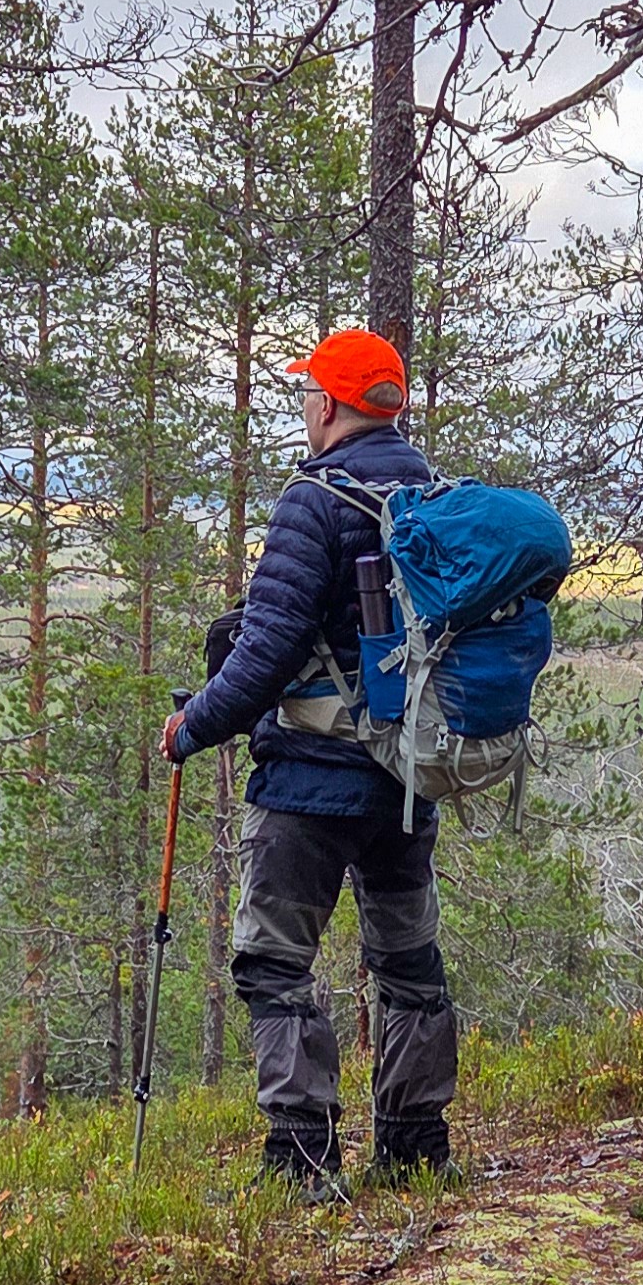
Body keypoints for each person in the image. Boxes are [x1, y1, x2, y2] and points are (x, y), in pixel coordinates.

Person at [158, 327, 458, 1194]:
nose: (304, 406)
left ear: (328, 403)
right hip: (408, 774)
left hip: (307, 784)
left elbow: (261, 657)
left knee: (274, 960)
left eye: (307, 394)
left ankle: (302, 1162)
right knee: (408, 960)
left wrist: (191, 728)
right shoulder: (432, 495)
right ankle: (414, 1149)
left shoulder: (315, 499)